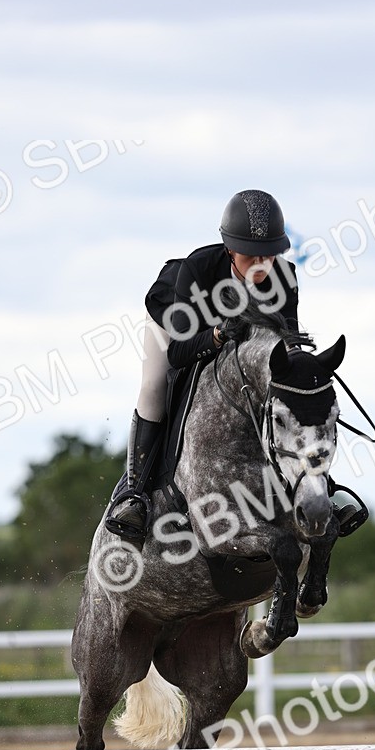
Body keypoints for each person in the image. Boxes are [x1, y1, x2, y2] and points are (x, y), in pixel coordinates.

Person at [105, 189, 299, 540]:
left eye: (268, 256)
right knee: (154, 386)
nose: (261, 265)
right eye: (251, 257)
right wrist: (218, 336)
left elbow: (287, 349)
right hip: (176, 325)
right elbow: (179, 354)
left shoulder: (285, 278)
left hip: (233, 344)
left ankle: (315, 486)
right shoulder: (196, 269)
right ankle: (134, 494)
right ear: (230, 250)